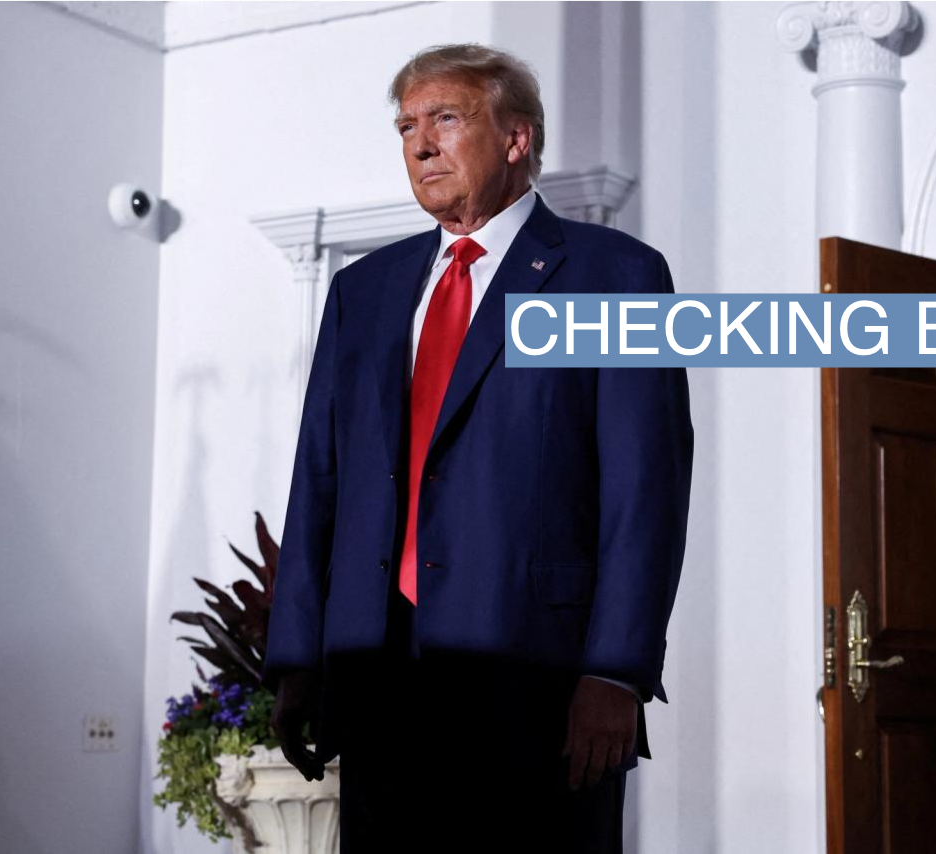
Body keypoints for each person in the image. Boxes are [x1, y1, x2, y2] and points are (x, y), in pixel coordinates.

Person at [262, 42, 694, 853]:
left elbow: (648, 486)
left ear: (516, 138)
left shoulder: (617, 276)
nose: (420, 143)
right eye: (406, 126)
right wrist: (298, 658)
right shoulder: (366, 290)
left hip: (541, 678)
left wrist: (615, 671)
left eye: (446, 119)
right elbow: (319, 475)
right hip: (380, 670)